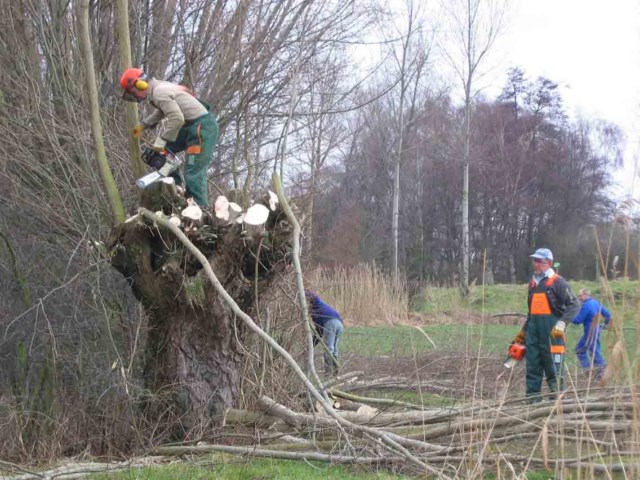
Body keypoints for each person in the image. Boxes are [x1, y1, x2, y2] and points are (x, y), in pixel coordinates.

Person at [119, 67, 219, 207]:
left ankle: (200, 209)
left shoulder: (159, 92)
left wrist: (162, 139)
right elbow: (163, 110)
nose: (134, 97)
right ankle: (175, 187)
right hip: (191, 126)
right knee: (166, 151)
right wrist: (144, 124)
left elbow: (177, 118)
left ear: (139, 84)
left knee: (193, 170)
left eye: (132, 92)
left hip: (201, 128)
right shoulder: (158, 88)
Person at [512, 248, 580, 402]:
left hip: (553, 334)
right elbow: (531, 313)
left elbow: (574, 305)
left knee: (554, 371)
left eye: (539, 261)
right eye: (534, 260)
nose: (536, 264)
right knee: (532, 369)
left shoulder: (558, 282)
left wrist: (563, 322)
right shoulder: (532, 284)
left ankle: (557, 406)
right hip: (533, 335)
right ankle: (532, 403)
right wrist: (523, 332)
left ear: (548, 263)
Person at [572, 288, 611, 378]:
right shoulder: (595, 302)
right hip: (594, 330)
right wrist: (605, 325)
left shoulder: (586, 305)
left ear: (586, 295)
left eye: (580, 296)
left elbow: (577, 320)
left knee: (594, 351)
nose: (579, 298)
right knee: (580, 350)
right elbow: (608, 314)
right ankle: (589, 371)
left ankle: (601, 373)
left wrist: (569, 315)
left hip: (591, 331)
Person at [305, 291, 344, 376]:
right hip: (340, 324)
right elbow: (319, 331)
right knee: (334, 348)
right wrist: (312, 344)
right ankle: (335, 369)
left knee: (328, 348)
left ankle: (328, 372)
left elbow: (314, 296)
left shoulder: (316, 304)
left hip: (330, 323)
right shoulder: (320, 309)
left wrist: (302, 294)